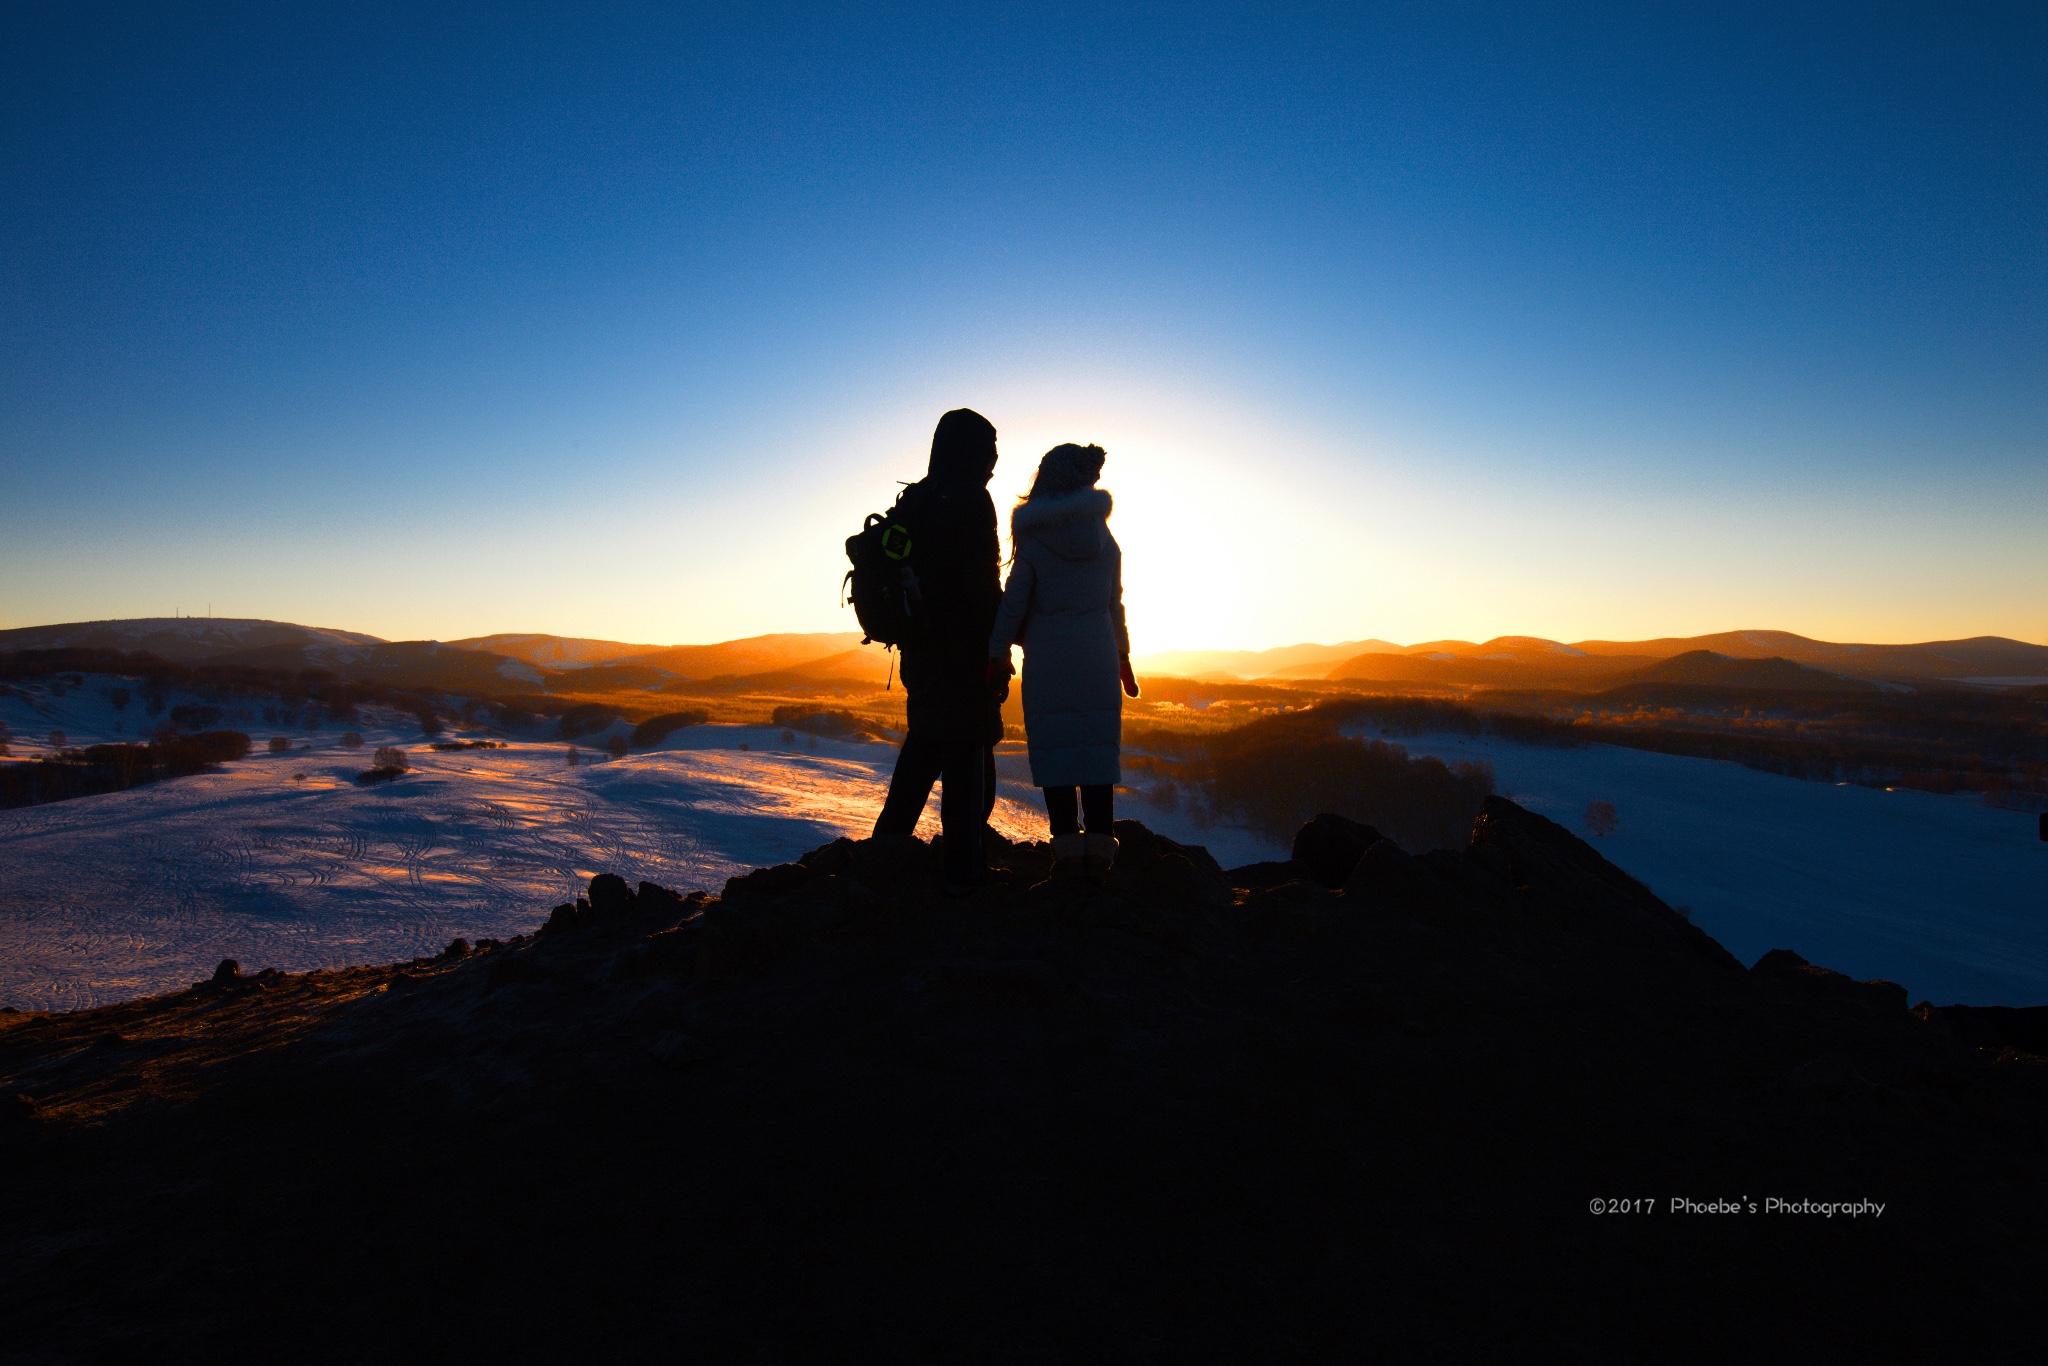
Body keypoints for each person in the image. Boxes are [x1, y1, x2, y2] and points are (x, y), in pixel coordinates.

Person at [987, 442, 1138, 879]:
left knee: (1057, 756)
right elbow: (1115, 605)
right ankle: (1101, 859)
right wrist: (1123, 656)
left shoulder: (1035, 543)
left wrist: (996, 655)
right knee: (1096, 756)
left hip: (1048, 666)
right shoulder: (1106, 540)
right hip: (1099, 661)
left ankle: (1068, 857)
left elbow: (1012, 607)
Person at [871, 408, 1006, 893]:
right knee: (968, 762)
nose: (994, 456)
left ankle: (883, 859)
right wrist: (1000, 646)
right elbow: (982, 585)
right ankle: (964, 881)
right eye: (989, 446)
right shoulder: (972, 499)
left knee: (924, 748)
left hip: (921, 656)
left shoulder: (917, 500)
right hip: (966, 654)